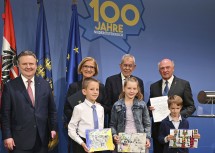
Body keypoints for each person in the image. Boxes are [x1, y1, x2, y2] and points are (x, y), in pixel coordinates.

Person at [1, 50, 57, 153]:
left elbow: (52, 110)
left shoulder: (45, 84)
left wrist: (53, 128)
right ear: (18, 65)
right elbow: (5, 114)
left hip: (42, 139)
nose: (28, 66)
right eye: (24, 64)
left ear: (36, 65)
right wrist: (7, 136)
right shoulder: (10, 87)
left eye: (31, 63)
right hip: (19, 141)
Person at [147, 58, 196, 153]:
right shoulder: (153, 86)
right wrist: (150, 109)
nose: (165, 70)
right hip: (158, 131)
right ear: (159, 70)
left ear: (173, 68)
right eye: (162, 68)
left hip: (177, 130)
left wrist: (176, 115)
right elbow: (149, 107)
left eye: (167, 67)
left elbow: (191, 107)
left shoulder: (184, 84)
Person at [110, 77, 151, 153]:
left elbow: (147, 124)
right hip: (122, 141)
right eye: (129, 88)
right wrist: (114, 135)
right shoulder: (117, 105)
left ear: (137, 90)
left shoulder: (142, 104)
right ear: (124, 88)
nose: (132, 91)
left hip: (139, 141)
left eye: (134, 88)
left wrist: (147, 138)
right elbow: (112, 124)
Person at [105, 54, 144, 125]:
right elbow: (107, 104)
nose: (127, 68)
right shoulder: (110, 80)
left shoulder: (139, 82)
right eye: (125, 65)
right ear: (120, 66)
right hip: (115, 123)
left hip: (133, 123)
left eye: (130, 66)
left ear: (134, 67)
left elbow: (140, 103)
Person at [64, 57, 106, 122]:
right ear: (81, 69)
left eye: (92, 67)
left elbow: (107, 107)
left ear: (95, 70)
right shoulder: (73, 87)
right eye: (85, 66)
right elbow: (67, 109)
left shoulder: (101, 87)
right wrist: (79, 117)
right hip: (78, 126)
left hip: (97, 127)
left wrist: (99, 107)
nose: (88, 69)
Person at [68, 77, 104, 153]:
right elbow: (71, 129)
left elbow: (101, 127)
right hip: (83, 144)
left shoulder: (100, 108)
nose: (95, 92)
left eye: (97, 89)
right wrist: (81, 143)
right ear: (84, 91)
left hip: (98, 144)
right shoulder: (79, 108)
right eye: (92, 89)